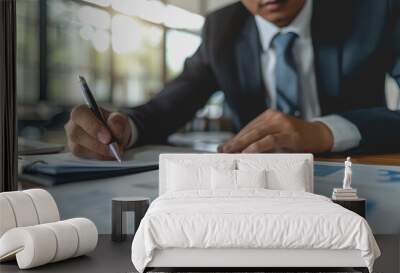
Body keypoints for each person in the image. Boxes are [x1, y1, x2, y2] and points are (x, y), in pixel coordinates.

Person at [65, 0, 400, 160]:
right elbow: (168, 107)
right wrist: (123, 127)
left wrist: (325, 132)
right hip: (254, 192)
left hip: (358, 175)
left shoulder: (376, 11)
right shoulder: (221, 30)